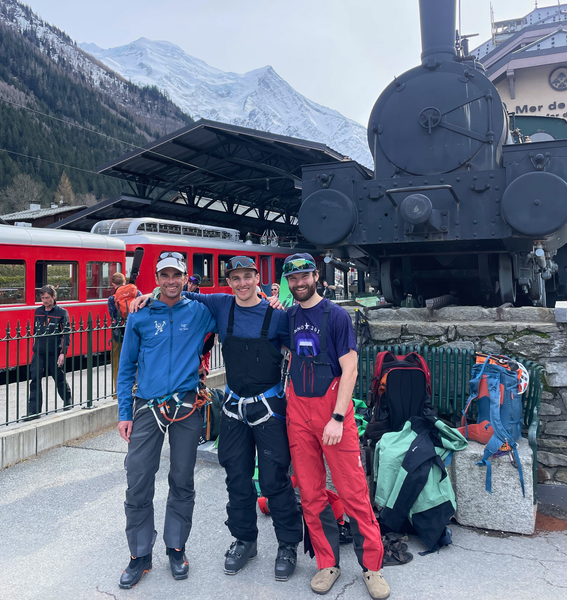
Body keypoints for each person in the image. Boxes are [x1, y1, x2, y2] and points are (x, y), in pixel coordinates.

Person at [134, 255, 302, 581]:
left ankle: (287, 543)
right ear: (229, 282)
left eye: (247, 277)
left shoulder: (277, 315)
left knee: (274, 479)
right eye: (235, 278)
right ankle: (244, 539)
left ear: (258, 278)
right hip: (235, 408)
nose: (242, 283)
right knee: (237, 478)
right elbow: (181, 292)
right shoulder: (222, 304)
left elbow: (298, 355)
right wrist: (149, 295)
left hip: (268, 409)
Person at [282, 253, 389, 600]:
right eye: (293, 279)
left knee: (353, 492)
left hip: (332, 413)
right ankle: (327, 562)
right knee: (310, 494)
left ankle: (372, 567)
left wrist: (339, 418)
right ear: (288, 282)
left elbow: (351, 369)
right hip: (298, 412)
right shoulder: (289, 316)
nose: (299, 284)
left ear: (316, 276)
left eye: (304, 277)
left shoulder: (337, 315)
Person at [116, 251, 217, 589]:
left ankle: (176, 547)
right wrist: (124, 414)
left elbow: (238, 304)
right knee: (139, 476)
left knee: (182, 478)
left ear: (187, 277)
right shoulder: (140, 314)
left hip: (186, 404)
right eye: (165, 276)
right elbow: (126, 366)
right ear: (157, 279)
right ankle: (139, 555)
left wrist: (269, 300)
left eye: (177, 275)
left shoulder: (200, 311)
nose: (171, 281)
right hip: (148, 406)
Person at [26, 285, 72, 419]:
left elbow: (66, 333)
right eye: (42, 298)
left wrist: (63, 352)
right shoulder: (38, 311)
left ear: (54, 297)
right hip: (39, 352)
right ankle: (34, 411)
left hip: (54, 352)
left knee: (59, 378)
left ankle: (67, 399)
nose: (45, 301)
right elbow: (35, 330)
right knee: (34, 379)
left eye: (47, 298)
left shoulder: (62, 312)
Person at [107, 272, 140, 397]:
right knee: (137, 361)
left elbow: (113, 315)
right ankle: (137, 387)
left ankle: (118, 392)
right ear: (124, 282)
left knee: (118, 363)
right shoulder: (136, 293)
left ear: (113, 284)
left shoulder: (112, 298)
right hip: (136, 332)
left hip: (119, 334)